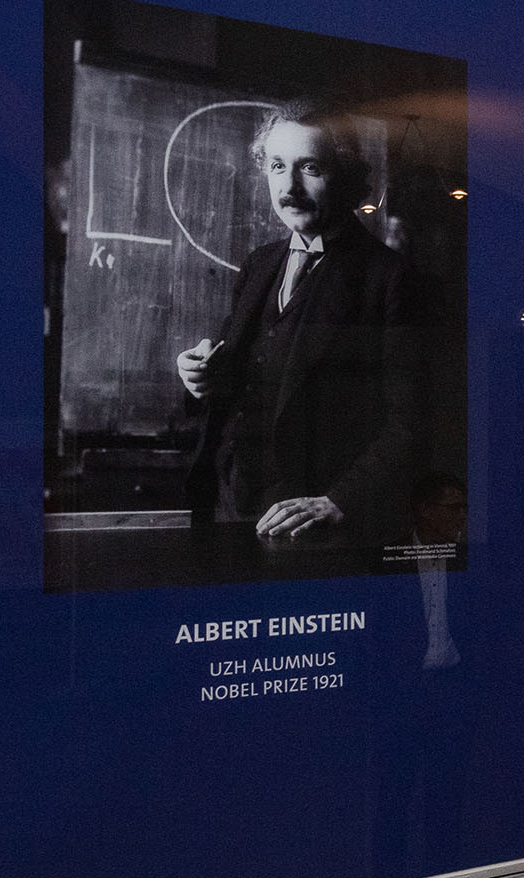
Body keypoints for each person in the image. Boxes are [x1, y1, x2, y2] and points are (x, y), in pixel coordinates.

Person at [175, 100, 425, 549]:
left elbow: (412, 422)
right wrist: (200, 377)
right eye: (276, 166)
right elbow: (239, 377)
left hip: (314, 527)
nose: (288, 186)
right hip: (226, 501)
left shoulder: (390, 279)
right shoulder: (260, 264)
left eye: (309, 167)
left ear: (347, 176)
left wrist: (337, 500)